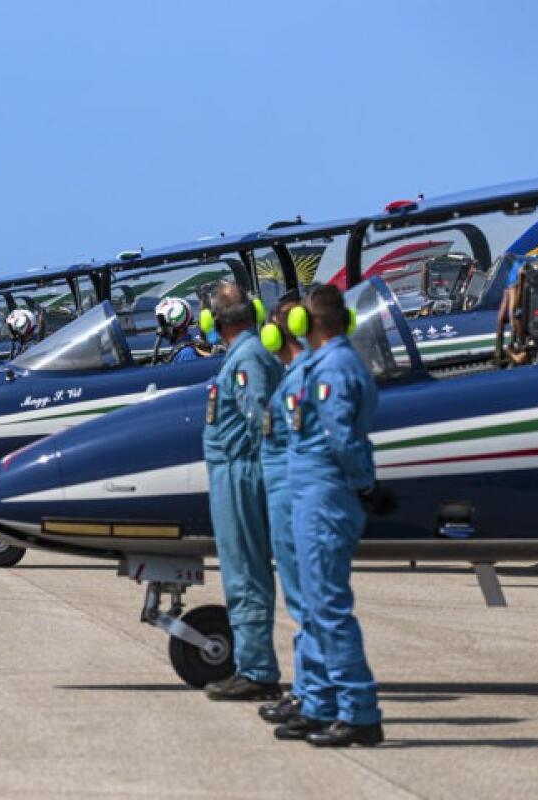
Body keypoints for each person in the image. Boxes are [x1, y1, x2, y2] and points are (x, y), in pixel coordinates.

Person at [275, 284, 385, 747]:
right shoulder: (323, 365)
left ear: (307, 323)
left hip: (326, 496)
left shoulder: (335, 367)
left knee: (328, 608)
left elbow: (341, 436)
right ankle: (319, 704)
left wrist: (364, 484)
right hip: (313, 494)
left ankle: (359, 712)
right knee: (317, 608)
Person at [201, 283, 283, 701]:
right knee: (241, 572)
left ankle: (257, 671)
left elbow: (260, 420)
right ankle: (253, 666)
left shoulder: (247, 358)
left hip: (240, 474)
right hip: (233, 472)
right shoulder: (244, 355)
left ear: (215, 322)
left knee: (245, 573)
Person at [256, 296, 318, 725]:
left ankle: (314, 697)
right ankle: (308, 693)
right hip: (292, 494)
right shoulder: (297, 376)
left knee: (309, 603)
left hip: (299, 496)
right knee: (303, 603)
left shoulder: (303, 378)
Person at [152, 298, 201, 364]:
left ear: (177, 325)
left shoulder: (186, 354)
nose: (160, 329)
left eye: (163, 323)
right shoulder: (181, 349)